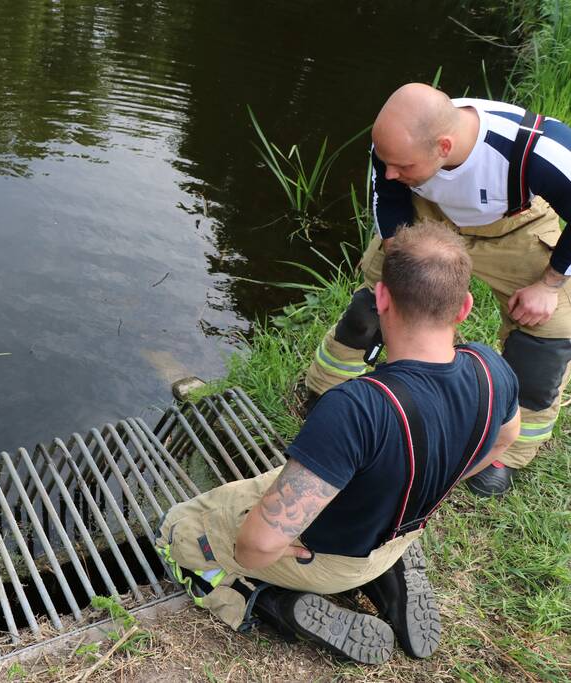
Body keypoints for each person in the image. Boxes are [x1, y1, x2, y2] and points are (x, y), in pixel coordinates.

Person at [156, 221, 519, 664]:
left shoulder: (357, 406)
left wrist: (264, 549)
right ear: (464, 307)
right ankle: (388, 575)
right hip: (399, 534)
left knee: (179, 530)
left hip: (327, 561)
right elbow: (505, 441)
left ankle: (273, 603)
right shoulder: (491, 368)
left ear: (382, 298)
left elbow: (256, 547)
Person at [305, 82, 571, 496]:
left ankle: (508, 451)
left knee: (547, 336)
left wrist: (550, 283)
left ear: (443, 146)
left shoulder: (538, 150)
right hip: (430, 216)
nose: (390, 171)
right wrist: (397, 260)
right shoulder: (395, 147)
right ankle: (329, 387)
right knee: (377, 304)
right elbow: (387, 197)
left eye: (402, 166)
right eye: (386, 161)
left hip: (513, 227)